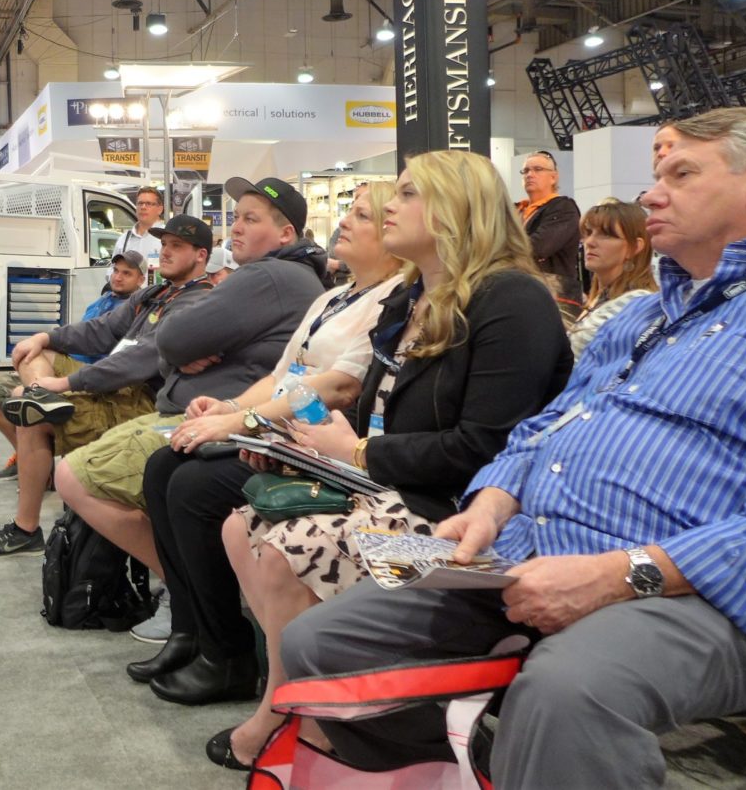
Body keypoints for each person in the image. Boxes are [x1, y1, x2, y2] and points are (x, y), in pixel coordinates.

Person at [280, 108, 746, 790]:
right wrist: (492, 502)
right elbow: (542, 429)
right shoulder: (646, 315)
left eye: (680, 174)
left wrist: (616, 575)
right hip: (526, 556)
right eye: (657, 175)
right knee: (320, 642)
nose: (652, 193)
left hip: (692, 595)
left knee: (568, 694)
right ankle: (469, 770)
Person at [181, 151, 574, 766]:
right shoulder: (413, 297)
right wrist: (301, 452)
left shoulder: (511, 300)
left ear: (456, 211)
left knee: (286, 550)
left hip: (459, 512)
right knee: (238, 523)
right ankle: (305, 699)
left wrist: (359, 451)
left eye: (409, 194)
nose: (392, 205)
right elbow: (370, 412)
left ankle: (296, 713)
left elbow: (487, 447)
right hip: (390, 485)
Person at [125, 182, 404, 667]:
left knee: (194, 486)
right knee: (164, 466)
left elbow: (336, 385)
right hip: (280, 431)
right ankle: (188, 629)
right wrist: (228, 407)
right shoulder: (332, 297)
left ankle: (224, 651)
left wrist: (243, 419)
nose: (342, 222)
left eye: (360, 216)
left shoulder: (389, 298)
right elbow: (282, 374)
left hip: (320, 446)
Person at [52, 177, 326, 611]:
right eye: (236, 218)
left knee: (72, 474)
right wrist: (173, 357)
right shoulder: (161, 290)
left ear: (285, 234)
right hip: (201, 407)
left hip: (209, 415)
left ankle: (183, 595)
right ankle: (185, 595)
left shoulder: (268, 274)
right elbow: (135, 338)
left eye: (250, 219)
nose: (235, 228)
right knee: (44, 405)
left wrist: (172, 356)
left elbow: (172, 338)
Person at [0, 231, 212, 557]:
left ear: (201, 255)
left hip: (145, 401)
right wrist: (46, 336)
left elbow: (137, 361)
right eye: (164, 245)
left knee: (29, 418)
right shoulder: (156, 293)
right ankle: (42, 402)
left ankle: (26, 529)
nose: (165, 252)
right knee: (33, 359)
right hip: (115, 385)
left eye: (176, 246)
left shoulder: (196, 303)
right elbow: (102, 330)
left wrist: (66, 384)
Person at [0, 252, 147, 481]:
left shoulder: (137, 311)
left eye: (127, 273)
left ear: (141, 279)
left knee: (34, 371)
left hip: (90, 374)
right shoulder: (101, 301)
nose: (118, 277)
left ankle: (39, 419)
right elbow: (78, 333)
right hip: (62, 365)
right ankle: (32, 458)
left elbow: (116, 355)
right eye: (116, 271)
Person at [567, 200, 657, 358]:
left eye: (605, 235)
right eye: (588, 233)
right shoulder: (599, 299)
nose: (590, 242)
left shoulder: (636, 304)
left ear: (635, 247)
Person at [516, 150, 585, 320]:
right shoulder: (515, 210)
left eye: (537, 169)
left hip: (555, 298)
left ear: (554, 177)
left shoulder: (563, 208)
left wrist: (503, 247)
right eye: (526, 171)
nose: (530, 175)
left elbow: (539, 246)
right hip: (520, 292)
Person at [113, 187, 166, 267]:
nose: (143, 207)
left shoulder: (166, 237)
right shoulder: (124, 239)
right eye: (140, 203)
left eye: (148, 204)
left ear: (160, 209)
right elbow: (112, 269)